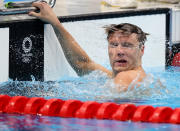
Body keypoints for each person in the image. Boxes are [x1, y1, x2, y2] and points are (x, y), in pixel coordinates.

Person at [29, 2, 149, 91]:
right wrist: (55, 23)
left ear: (141, 50)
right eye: (114, 45)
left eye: (127, 45)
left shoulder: (125, 77)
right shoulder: (120, 77)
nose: (119, 51)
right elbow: (82, 63)